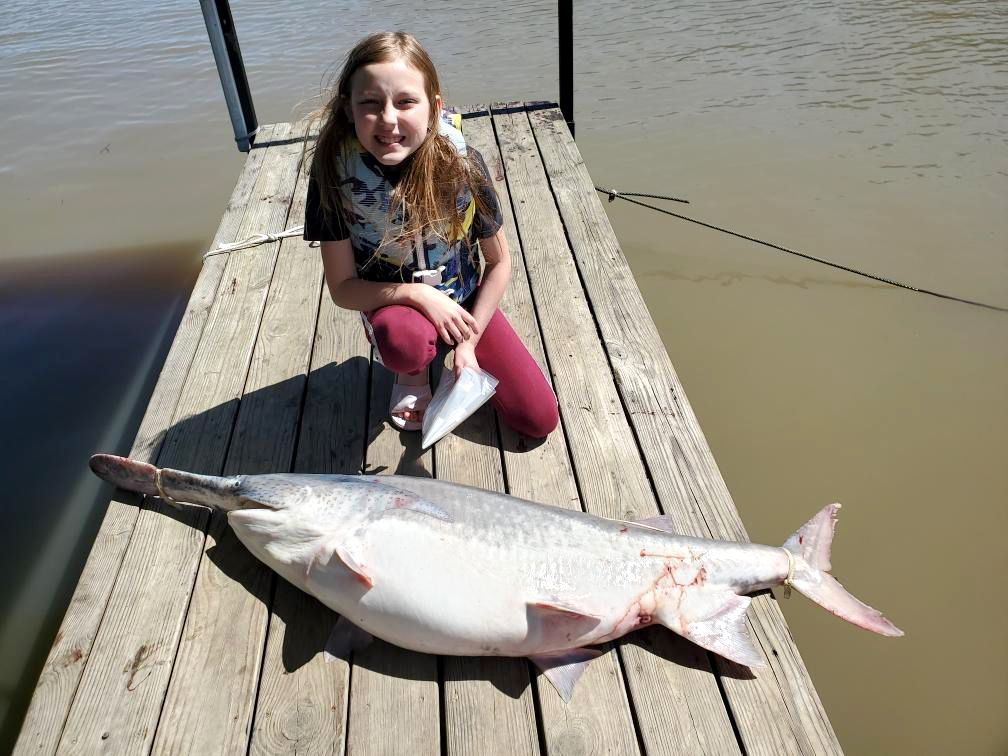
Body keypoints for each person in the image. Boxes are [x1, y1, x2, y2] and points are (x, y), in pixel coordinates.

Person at [304, 32, 559, 438]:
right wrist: (417, 294)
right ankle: (413, 374)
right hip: (393, 306)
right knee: (403, 340)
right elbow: (342, 289)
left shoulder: (465, 166)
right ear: (349, 110)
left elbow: (499, 261)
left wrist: (469, 343)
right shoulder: (333, 178)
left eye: (405, 102)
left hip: (462, 300)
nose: (388, 119)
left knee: (538, 419)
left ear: (434, 108)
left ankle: (447, 345)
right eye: (370, 103)